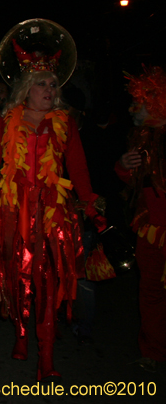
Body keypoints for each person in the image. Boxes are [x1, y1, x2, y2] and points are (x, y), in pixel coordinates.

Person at [0, 33, 105, 381]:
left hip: (51, 212)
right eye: (42, 83)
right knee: (16, 278)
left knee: (46, 280)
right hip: (13, 210)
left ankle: (46, 353)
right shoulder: (6, 119)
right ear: (27, 87)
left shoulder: (64, 123)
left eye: (54, 83)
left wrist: (91, 205)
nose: (50, 89)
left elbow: (79, 170)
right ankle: (21, 333)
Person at [115, 66, 166, 373]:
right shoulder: (141, 136)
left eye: (141, 100)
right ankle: (153, 352)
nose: (134, 107)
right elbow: (131, 181)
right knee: (150, 292)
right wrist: (122, 165)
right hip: (149, 230)